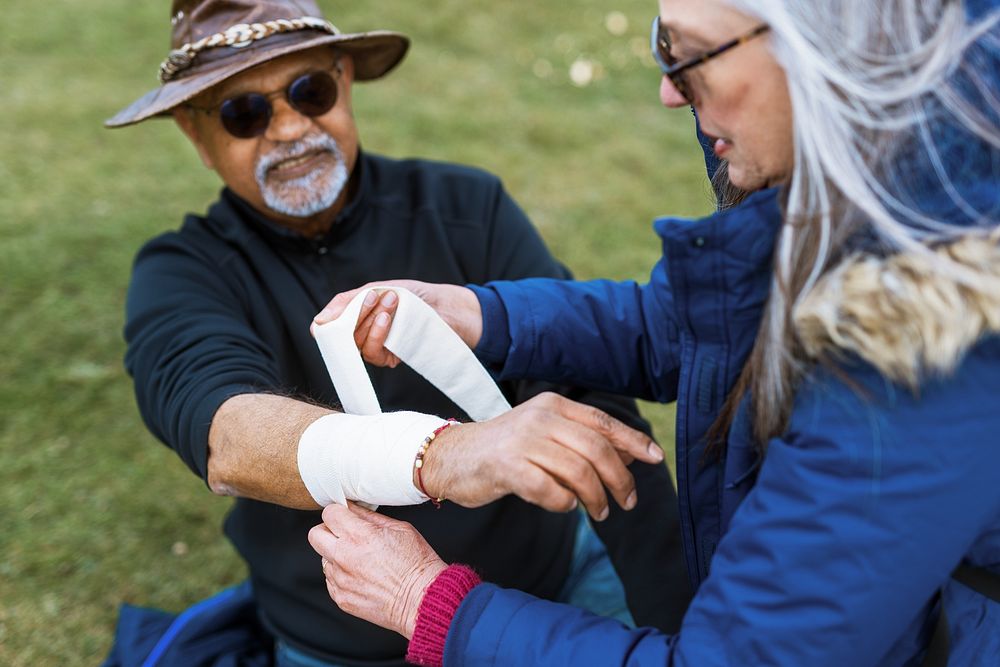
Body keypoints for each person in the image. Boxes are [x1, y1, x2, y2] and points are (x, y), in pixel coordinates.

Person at [308, 0, 1000, 664]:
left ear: (823, 47)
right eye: (661, 45)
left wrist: (430, 604)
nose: (671, 93)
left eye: (690, 52)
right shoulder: (865, 190)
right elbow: (686, 329)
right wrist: (483, 315)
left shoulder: (922, 364)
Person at [105, 1, 693, 665]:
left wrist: (679, 622)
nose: (290, 127)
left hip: (543, 595)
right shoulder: (182, 271)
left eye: (310, 91)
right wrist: (445, 454)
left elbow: (592, 404)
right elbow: (228, 435)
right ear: (197, 136)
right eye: (245, 112)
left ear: (345, 80)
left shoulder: (467, 206)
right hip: (344, 643)